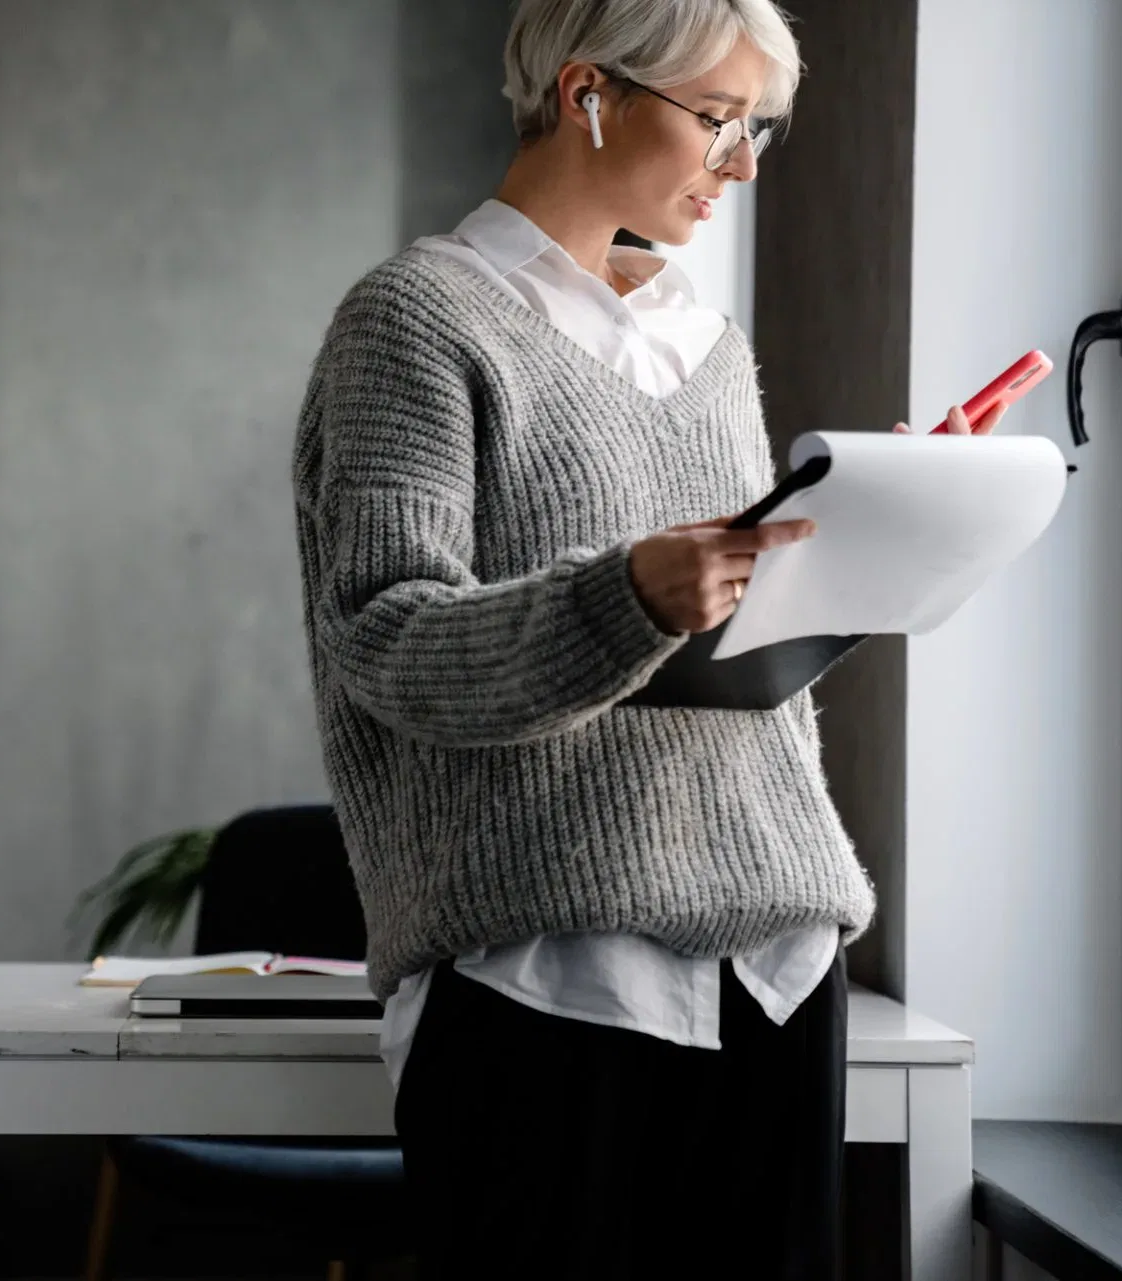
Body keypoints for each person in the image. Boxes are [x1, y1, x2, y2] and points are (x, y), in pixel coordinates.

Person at [291, 0, 1001, 1276]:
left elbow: (745, 632)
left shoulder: (707, 348)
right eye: (720, 120)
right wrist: (626, 595)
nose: (742, 165)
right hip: (542, 975)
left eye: (757, 129)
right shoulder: (415, 320)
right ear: (589, 94)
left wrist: (876, 521)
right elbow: (386, 638)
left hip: (778, 963)